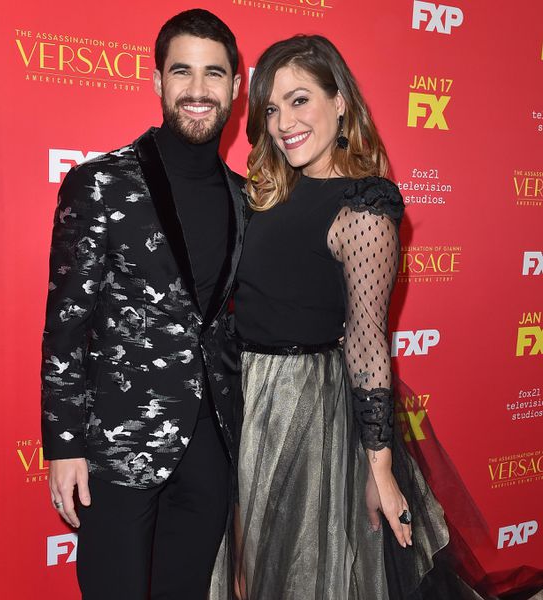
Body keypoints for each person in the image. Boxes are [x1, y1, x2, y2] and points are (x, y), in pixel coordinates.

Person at [233, 35, 484, 599]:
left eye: (300, 100)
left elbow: (368, 343)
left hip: (307, 414)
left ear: (340, 101)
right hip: (243, 402)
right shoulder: (264, 195)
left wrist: (380, 471)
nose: (283, 123)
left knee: (300, 575)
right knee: (248, 573)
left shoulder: (364, 205)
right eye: (271, 108)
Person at [40, 9, 246, 599]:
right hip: (118, 446)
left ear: (235, 87)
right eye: (182, 71)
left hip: (211, 449)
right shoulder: (100, 182)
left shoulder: (245, 197)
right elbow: (65, 326)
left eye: (214, 73)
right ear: (158, 81)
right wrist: (64, 446)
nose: (198, 89)